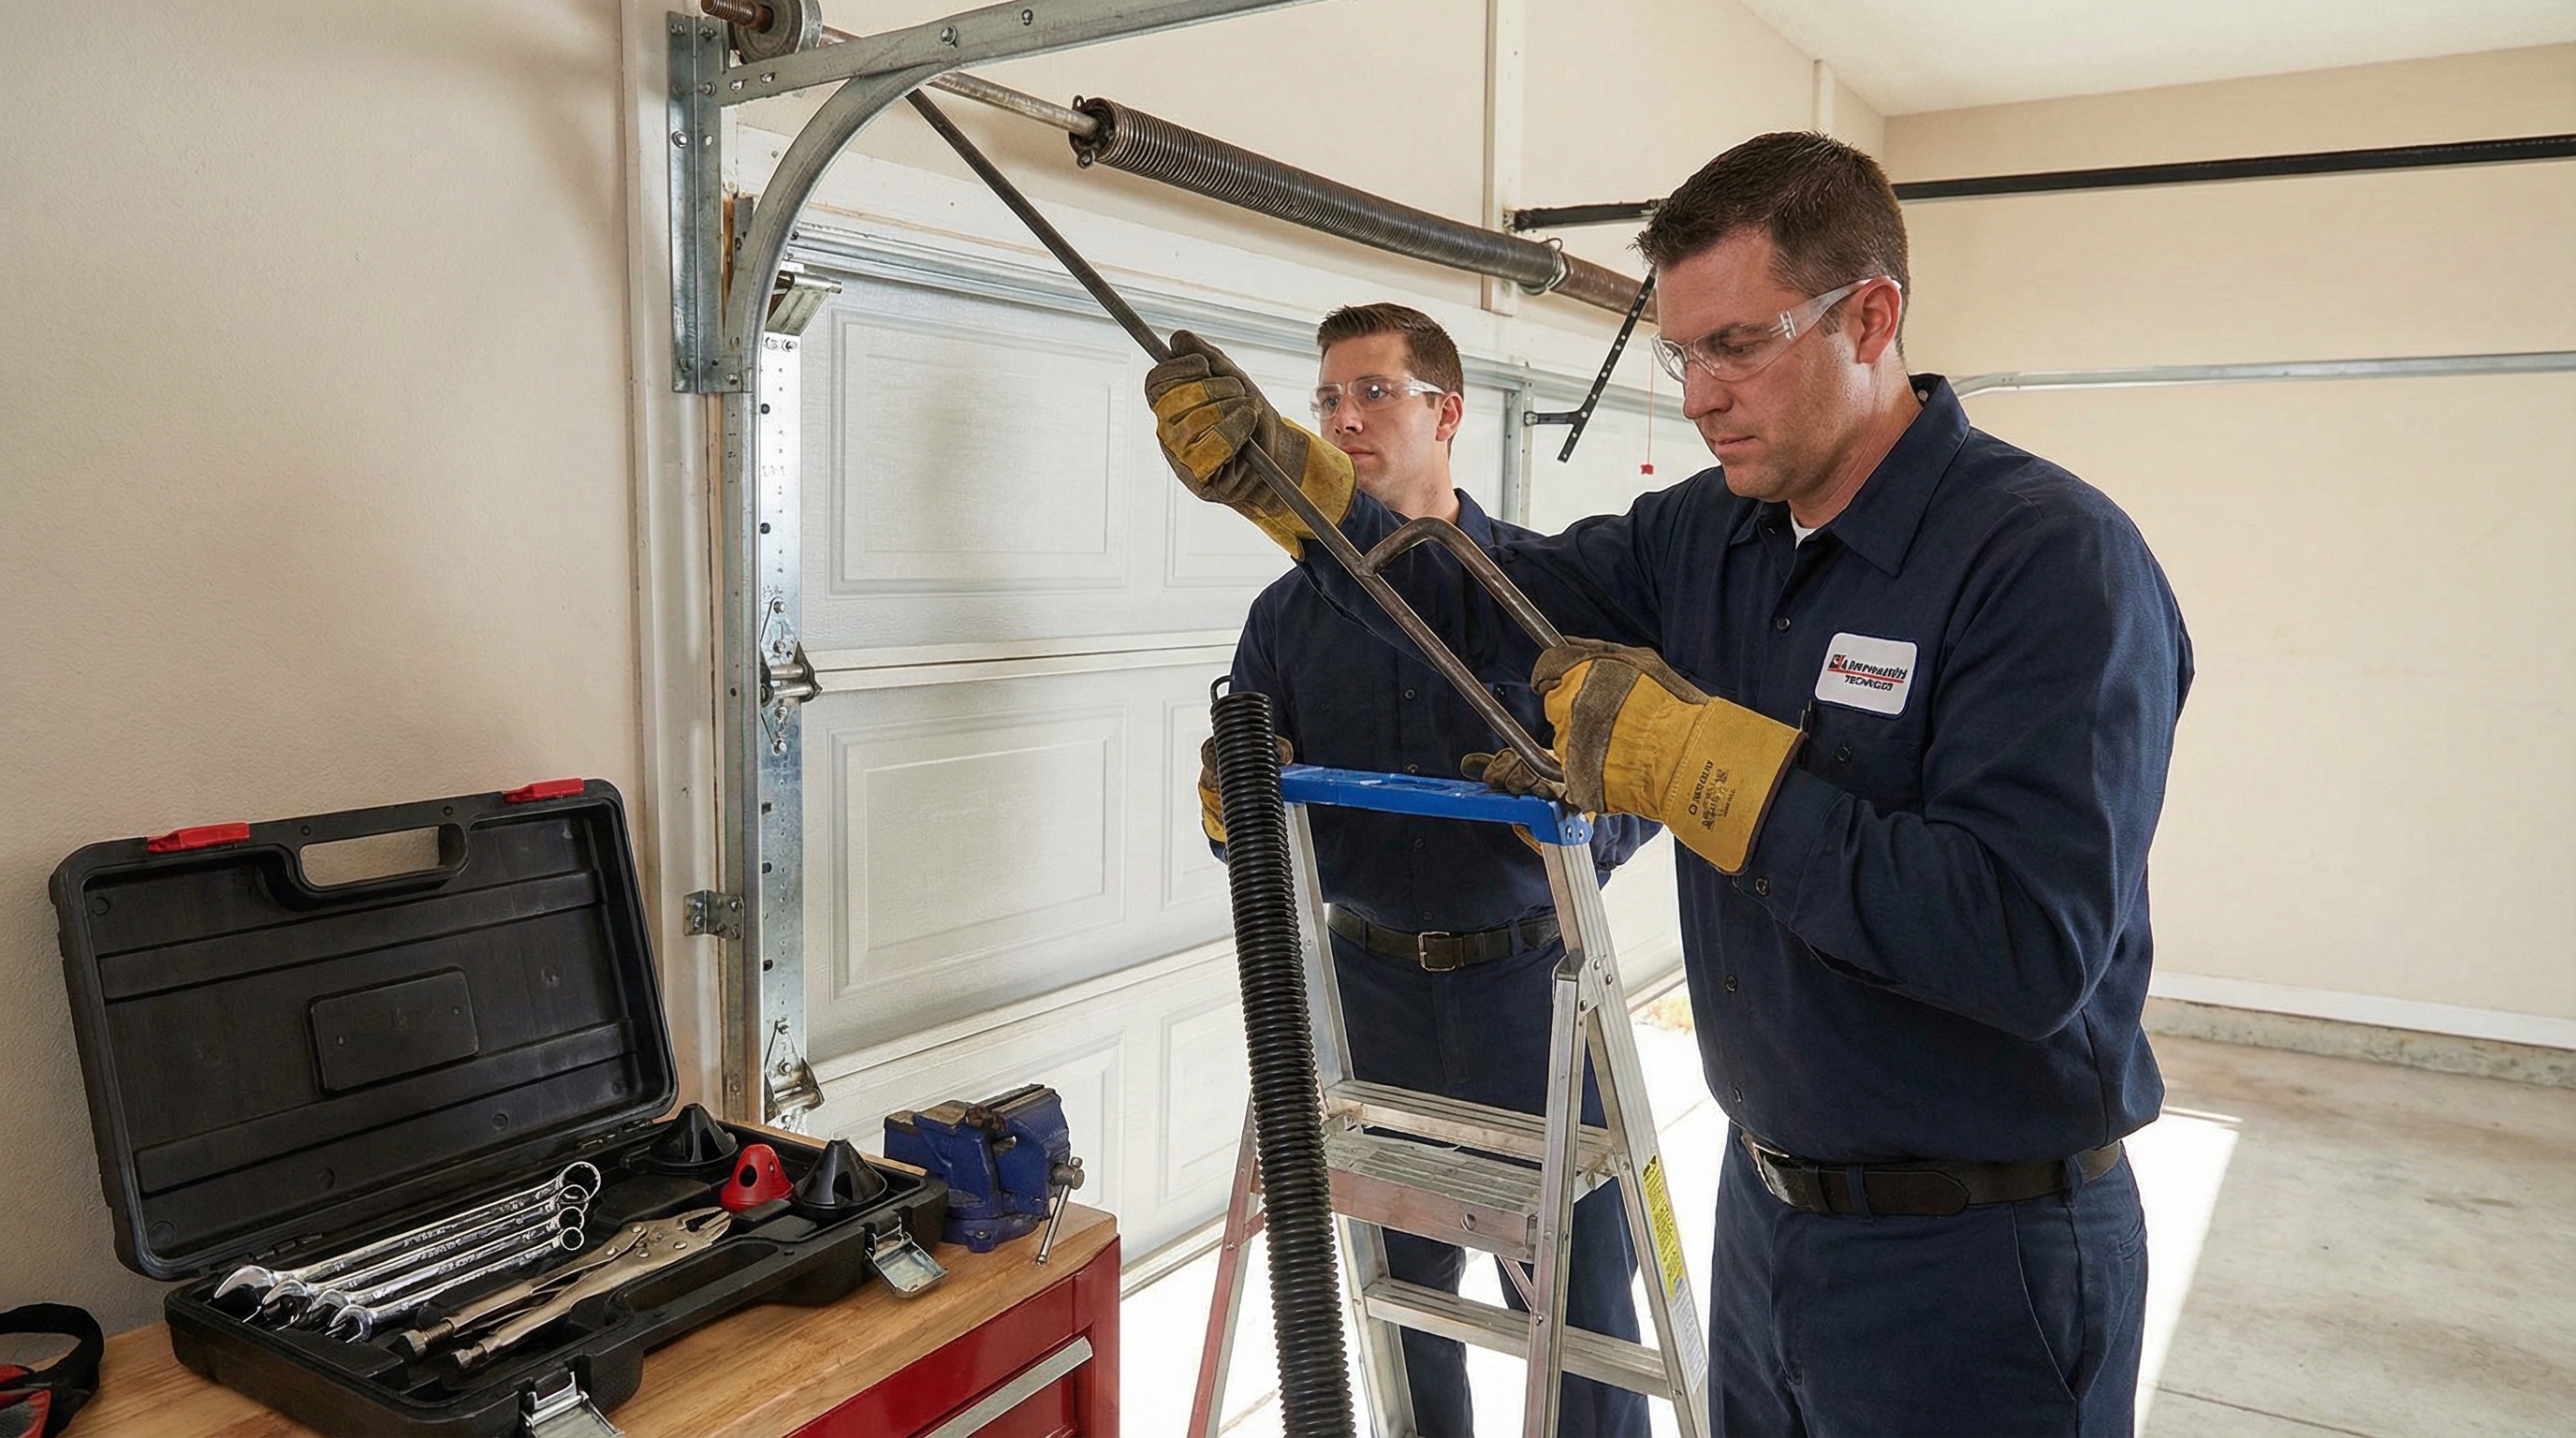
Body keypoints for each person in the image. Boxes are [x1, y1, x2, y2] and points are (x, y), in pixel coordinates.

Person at [1149, 133, 2191, 1436]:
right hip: (1766, 1217)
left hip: (1982, 1259)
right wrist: (1308, 503)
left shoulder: (2045, 563)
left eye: (1738, 346)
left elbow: (2028, 945)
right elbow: (1481, 613)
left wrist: (1720, 780)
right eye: (1682, 354)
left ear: (1873, 316)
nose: (1700, 396)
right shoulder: (1712, 535)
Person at [1197, 302, 1654, 1436]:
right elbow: (1250, 821)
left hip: (1531, 1001)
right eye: (1326, 401)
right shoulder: (1284, 616)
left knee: (1583, 1306)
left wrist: (1558, 826)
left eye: (1374, 393)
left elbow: (1630, 795)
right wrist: (1229, 813)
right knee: (1401, 1298)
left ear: (1448, 413)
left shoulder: (1537, 596)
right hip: (1370, 1003)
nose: (1343, 420)